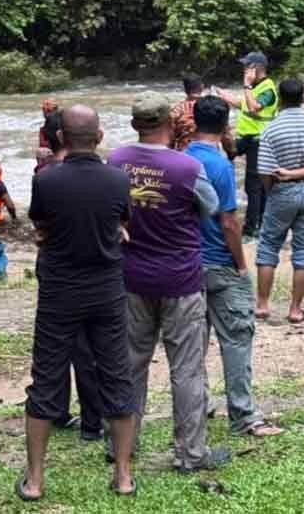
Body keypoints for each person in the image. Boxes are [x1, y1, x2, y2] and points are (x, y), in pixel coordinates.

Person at [106, 92, 231, 474]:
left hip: (131, 278)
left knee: (130, 364)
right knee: (188, 369)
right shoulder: (187, 167)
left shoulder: (115, 162)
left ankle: (121, 446)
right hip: (181, 279)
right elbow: (210, 208)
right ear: (173, 124)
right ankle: (191, 454)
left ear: (133, 125)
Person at [20, 105, 137, 501]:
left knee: (47, 378)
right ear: (100, 136)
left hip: (59, 291)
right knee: (118, 375)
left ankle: (35, 480)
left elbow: (43, 226)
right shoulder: (118, 180)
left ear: (59, 139)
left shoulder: (47, 180)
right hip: (106, 288)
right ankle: (123, 475)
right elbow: (122, 223)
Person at [185, 96, 284, 438]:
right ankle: (243, 415)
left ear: (193, 121)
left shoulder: (181, 160)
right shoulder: (220, 164)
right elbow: (228, 220)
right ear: (226, 125)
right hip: (219, 261)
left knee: (193, 343)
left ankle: (197, 405)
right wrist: (241, 264)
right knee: (237, 338)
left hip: (187, 263)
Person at [254, 79, 304, 324]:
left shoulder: (271, 128)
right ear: (303, 97)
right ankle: (295, 309)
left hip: (281, 191)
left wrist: (275, 188)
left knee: (268, 246)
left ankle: (263, 304)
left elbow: (264, 170)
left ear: (279, 98)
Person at [217, 51, 279, 239]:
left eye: (247, 65)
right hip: (246, 138)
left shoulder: (268, 89)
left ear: (257, 67)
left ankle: (252, 229)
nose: (244, 68)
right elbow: (243, 104)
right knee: (224, 156)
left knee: (253, 186)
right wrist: (224, 96)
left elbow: (254, 107)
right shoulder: (256, 86)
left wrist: (246, 84)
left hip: (259, 140)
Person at [170, 74, 235, 155]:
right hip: (210, 154)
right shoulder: (213, 107)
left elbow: (169, 139)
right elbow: (226, 135)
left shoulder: (177, 110)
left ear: (185, 90)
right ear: (202, 87)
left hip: (185, 155)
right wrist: (231, 153)